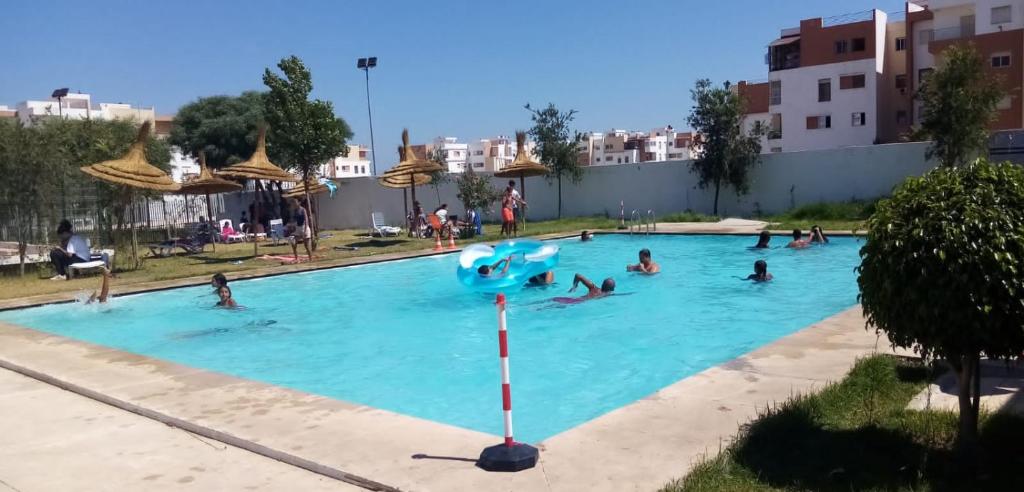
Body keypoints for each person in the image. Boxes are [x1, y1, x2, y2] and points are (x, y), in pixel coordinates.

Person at [288, 197, 313, 262]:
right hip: (298, 228)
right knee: (293, 243)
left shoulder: (303, 210)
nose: (294, 203)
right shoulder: (295, 211)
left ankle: (310, 259)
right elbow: (294, 220)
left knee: (306, 246)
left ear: (299, 202)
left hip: (304, 227)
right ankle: (296, 258)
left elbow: (306, 220)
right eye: (293, 202)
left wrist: (305, 230)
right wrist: (291, 226)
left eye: (295, 202)